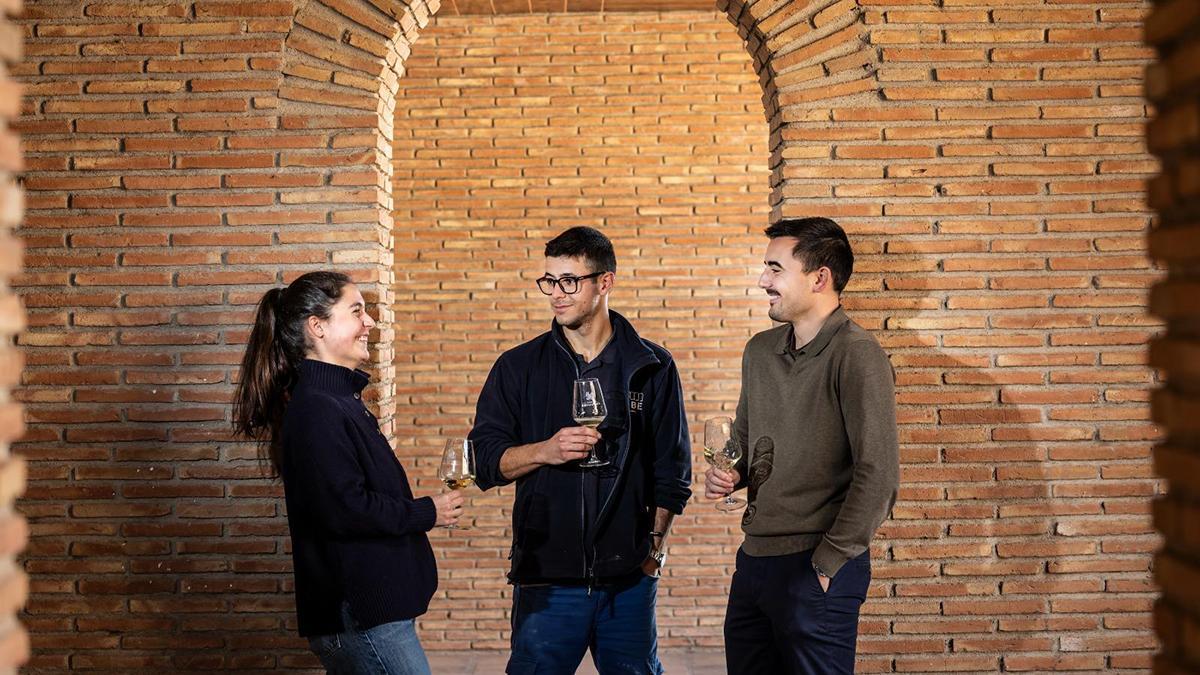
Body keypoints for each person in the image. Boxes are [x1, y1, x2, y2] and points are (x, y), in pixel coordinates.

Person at [469, 226, 692, 674]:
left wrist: (652, 552)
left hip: (628, 581)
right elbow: (483, 462)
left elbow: (673, 471)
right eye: (549, 281)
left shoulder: (652, 366)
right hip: (547, 581)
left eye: (569, 280)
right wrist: (544, 452)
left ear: (604, 282)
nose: (556, 293)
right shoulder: (517, 367)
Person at [232, 271, 464, 674]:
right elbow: (345, 509)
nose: (369, 322)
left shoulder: (338, 399)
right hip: (362, 617)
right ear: (317, 327)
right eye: (357, 311)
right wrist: (429, 512)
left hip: (372, 614)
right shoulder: (318, 408)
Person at [705, 217, 899, 674]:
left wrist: (828, 564)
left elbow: (879, 474)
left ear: (819, 278)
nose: (762, 281)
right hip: (752, 562)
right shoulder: (759, 351)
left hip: (815, 565)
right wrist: (732, 475)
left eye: (775, 269)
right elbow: (745, 444)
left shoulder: (858, 354)